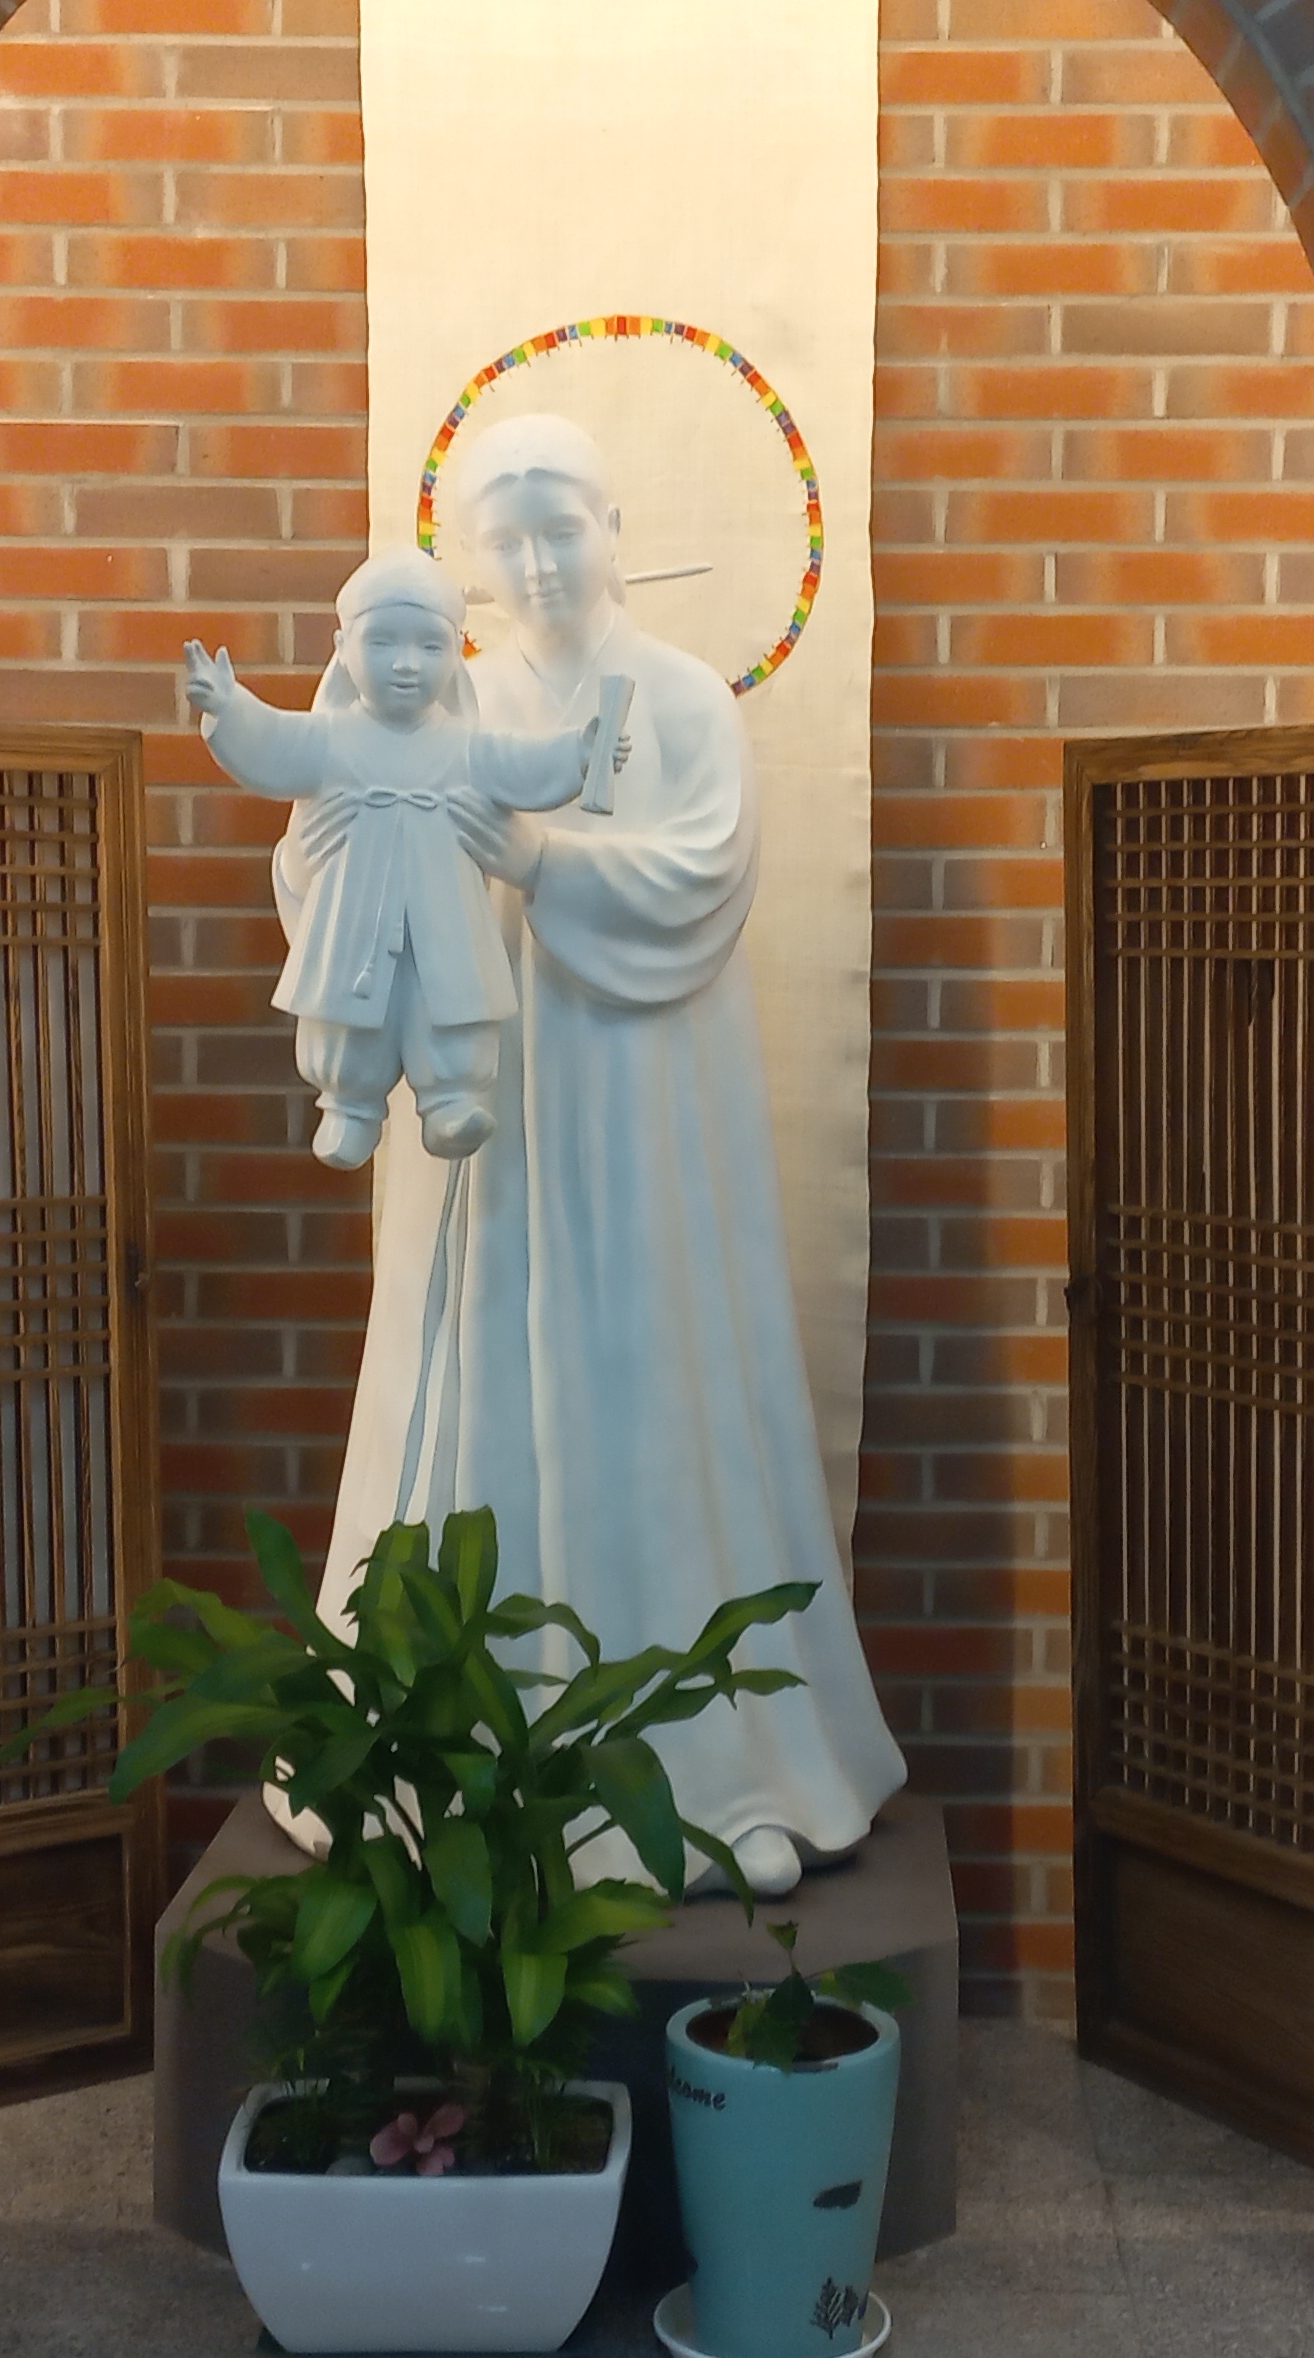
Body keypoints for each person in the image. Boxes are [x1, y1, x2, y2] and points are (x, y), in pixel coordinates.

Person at [284, 410, 904, 1899]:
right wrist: (342, 770)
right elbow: (324, 847)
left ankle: (718, 1769)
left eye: (562, 529)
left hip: (644, 1107)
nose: (539, 563)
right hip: (484, 1123)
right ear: (472, 563)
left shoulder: (682, 699)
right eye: (506, 541)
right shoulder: (447, 690)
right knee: (479, 1371)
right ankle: (449, 1770)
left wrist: (542, 858)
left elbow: (707, 869)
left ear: (616, 531)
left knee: (650, 1376)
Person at [182, 551, 623, 1169]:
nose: (407, 664)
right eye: (383, 642)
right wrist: (229, 708)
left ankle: (452, 1100)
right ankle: (349, 1106)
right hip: (354, 913)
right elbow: (275, 741)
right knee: (348, 1020)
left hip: (444, 914)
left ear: (455, 654)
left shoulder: (467, 748)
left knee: (450, 1011)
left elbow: (522, 765)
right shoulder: (329, 739)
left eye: (430, 646)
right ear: (344, 648)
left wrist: (578, 753)